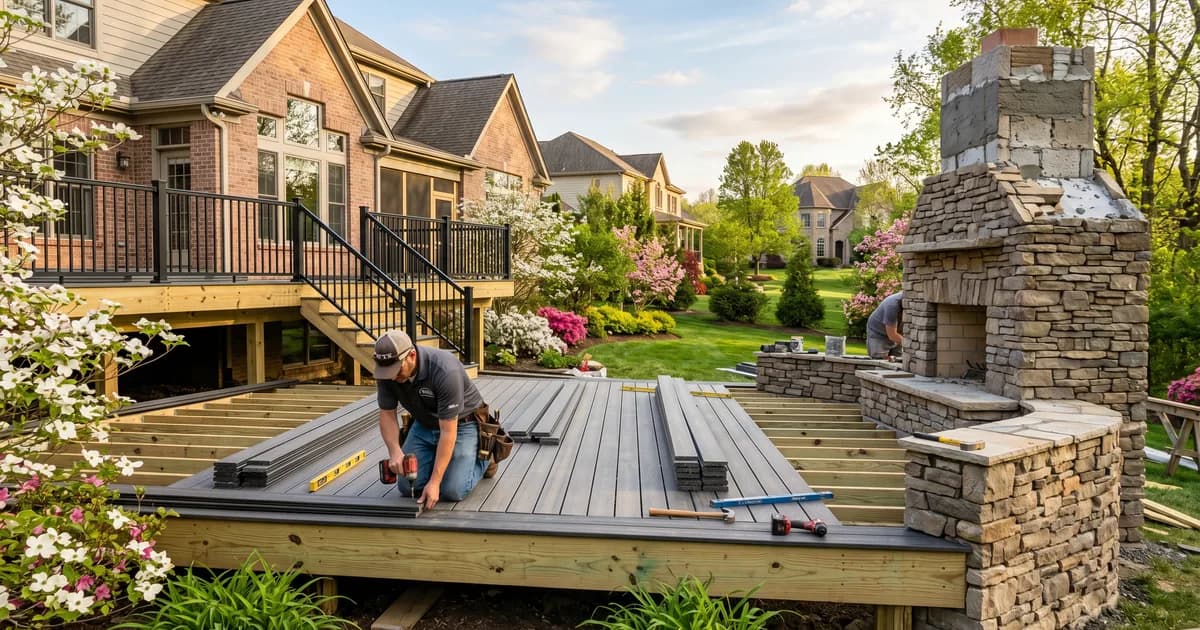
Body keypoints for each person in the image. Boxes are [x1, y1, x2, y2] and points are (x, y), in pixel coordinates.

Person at [374, 330, 502, 509]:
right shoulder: (387, 372)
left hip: (463, 424)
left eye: (397, 370)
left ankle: (485, 458)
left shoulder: (444, 369)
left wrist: (435, 482)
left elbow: (448, 431)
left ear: (411, 355)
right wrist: (395, 451)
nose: (393, 377)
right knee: (407, 485)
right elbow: (387, 413)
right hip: (424, 423)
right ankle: (439, 457)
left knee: (452, 490)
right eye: (387, 372)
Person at [866, 291, 904, 360]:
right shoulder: (892, 305)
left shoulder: (913, 301)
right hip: (878, 334)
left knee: (898, 363)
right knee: (880, 363)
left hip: (898, 334)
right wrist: (911, 345)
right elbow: (892, 335)